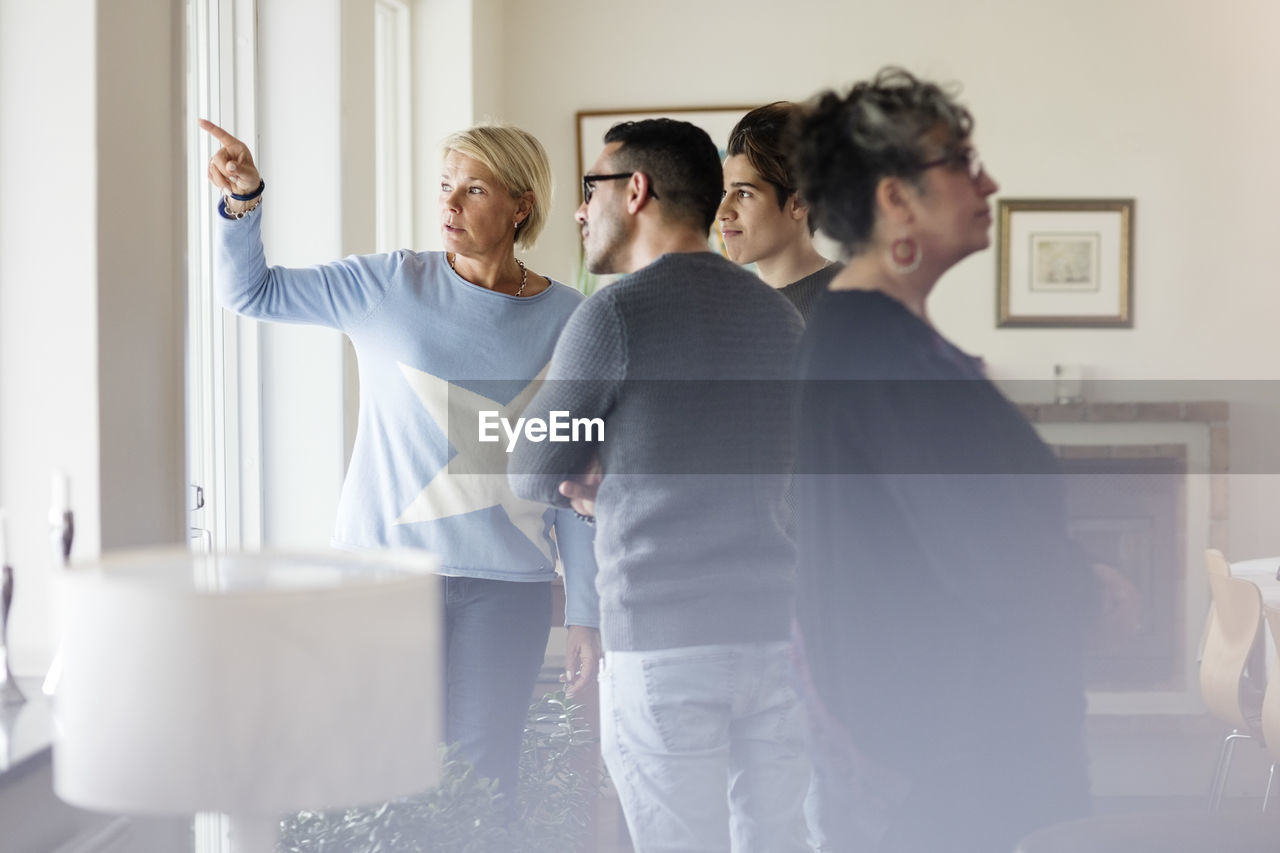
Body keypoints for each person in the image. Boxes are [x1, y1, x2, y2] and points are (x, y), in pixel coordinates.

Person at [199, 119, 601, 810]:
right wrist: (243, 203)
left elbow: (575, 479)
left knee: (484, 783)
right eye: (445, 187)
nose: (448, 206)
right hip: (382, 580)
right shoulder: (387, 282)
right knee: (379, 777)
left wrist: (587, 613)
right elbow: (251, 293)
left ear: (521, 204)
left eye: (473, 190)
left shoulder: (571, 317)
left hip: (506, 592)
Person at [787, 69, 1099, 852]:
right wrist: (1085, 584)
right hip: (954, 757)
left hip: (953, 741)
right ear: (896, 199)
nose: (986, 179)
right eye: (959, 162)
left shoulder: (874, 339)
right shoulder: (879, 352)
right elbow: (987, 555)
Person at [508, 118, 810, 852]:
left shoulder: (612, 315)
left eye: (591, 189)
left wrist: (598, 483)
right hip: (779, 640)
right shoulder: (783, 317)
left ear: (635, 190)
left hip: (665, 642)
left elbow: (530, 466)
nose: (581, 210)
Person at [716, 101, 838, 320]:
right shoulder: (731, 312)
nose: (722, 212)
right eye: (724, 194)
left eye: (743, 193)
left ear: (798, 203)